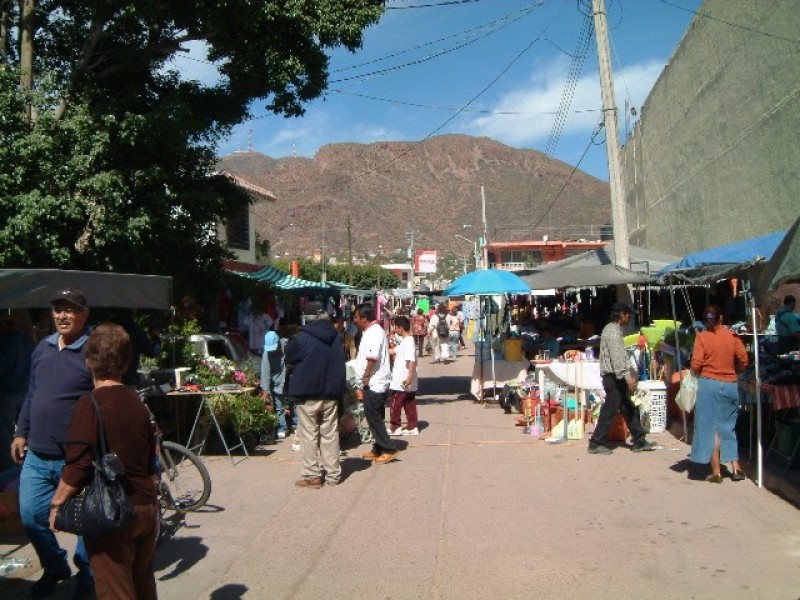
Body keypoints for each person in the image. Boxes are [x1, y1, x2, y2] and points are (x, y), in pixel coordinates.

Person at [49, 324, 158, 599]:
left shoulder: (90, 404)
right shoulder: (138, 403)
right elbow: (151, 460)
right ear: (126, 361)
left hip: (114, 512)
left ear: (89, 361)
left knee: (115, 591)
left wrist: (57, 504)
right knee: (143, 585)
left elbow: (78, 464)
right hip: (146, 506)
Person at [11, 289, 95, 599]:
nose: (62, 315)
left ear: (84, 314)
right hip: (38, 453)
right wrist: (21, 432)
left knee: (84, 521)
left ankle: (87, 578)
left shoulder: (92, 351)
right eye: (58, 309)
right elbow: (32, 393)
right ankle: (56, 566)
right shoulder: (42, 348)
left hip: (75, 456)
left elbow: (103, 398)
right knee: (31, 517)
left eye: (69, 309)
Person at [284, 310, 346, 487]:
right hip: (331, 393)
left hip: (307, 392)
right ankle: (333, 475)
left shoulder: (301, 338)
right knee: (330, 434)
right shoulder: (336, 336)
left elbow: (289, 356)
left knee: (309, 434)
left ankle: (312, 476)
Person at [587, 302, 657, 455]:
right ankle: (596, 442)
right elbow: (617, 358)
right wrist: (627, 377)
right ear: (621, 314)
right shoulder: (613, 331)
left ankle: (639, 440)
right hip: (614, 377)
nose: (629, 318)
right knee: (609, 411)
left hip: (615, 376)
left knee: (629, 408)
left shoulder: (613, 329)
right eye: (627, 314)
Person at [689, 306, 749, 482]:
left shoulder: (702, 337)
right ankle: (736, 467)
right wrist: (733, 370)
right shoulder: (732, 336)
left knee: (710, 428)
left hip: (709, 385)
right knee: (727, 427)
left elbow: (695, 365)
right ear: (721, 318)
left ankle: (716, 472)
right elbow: (744, 359)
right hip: (730, 384)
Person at [353, 303, 400, 464]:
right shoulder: (371, 331)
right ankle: (379, 447)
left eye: (356, 318)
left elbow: (372, 357)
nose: (355, 321)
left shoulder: (374, 332)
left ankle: (388, 447)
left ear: (364, 318)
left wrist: (366, 375)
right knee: (375, 414)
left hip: (375, 381)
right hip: (374, 381)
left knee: (373, 415)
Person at [0, 311, 35, 471]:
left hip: (9, 393)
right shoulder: (26, 339)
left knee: (7, 433)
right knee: (29, 430)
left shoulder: (5, 342)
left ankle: (10, 466)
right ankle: (28, 463)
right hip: (28, 392)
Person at [387, 316, 419, 436]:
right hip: (405, 377)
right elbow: (393, 351)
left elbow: (411, 360)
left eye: (395, 327)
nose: (394, 329)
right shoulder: (404, 341)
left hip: (403, 378)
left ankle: (395, 426)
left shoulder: (409, 341)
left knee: (396, 401)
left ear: (401, 328)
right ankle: (412, 426)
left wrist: (409, 377)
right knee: (409, 402)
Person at [260, 328, 289, 440]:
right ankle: (282, 428)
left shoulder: (287, 345)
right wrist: (266, 391)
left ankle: (296, 425)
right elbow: (265, 371)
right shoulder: (266, 354)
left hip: (289, 379)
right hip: (276, 382)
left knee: (294, 403)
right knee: (279, 406)